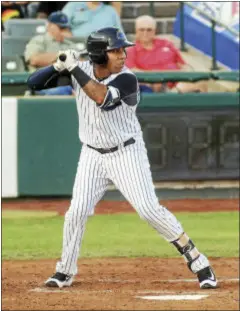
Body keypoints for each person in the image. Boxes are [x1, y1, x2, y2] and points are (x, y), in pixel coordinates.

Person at [27, 27, 217, 290]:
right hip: (92, 153)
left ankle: (197, 259)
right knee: (76, 212)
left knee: (149, 210)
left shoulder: (127, 79)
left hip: (126, 152)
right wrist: (57, 65)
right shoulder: (79, 68)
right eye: (115, 50)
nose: (122, 54)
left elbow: (101, 97)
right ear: (99, 54)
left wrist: (73, 69)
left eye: (122, 49)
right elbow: (33, 83)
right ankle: (65, 270)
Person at [125, 15, 208, 93]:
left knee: (201, 82)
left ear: (154, 31)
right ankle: (173, 95)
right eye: (142, 29)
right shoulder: (131, 50)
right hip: (155, 84)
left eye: (149, 30)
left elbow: (183, 65)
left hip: (177, 82)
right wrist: (156, 77)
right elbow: (133, 71)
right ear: (136, 31)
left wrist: (186, 73)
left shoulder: (166, 44)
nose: (145, 33)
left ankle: (175, 93)